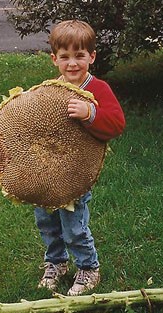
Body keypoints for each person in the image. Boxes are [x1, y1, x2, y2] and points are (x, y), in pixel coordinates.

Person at [35, 20, 126, 296]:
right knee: (47, 222)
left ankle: (88, 267)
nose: (72, 63)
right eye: (65, 57)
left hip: (78, 173)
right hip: (48, 171)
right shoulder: (50, 89)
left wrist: (91, 113)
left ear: (92, 57)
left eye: (79, 56)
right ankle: (56, 262)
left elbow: (117, 124)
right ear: (54, 60)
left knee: (74, 226)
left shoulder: (97, 89)